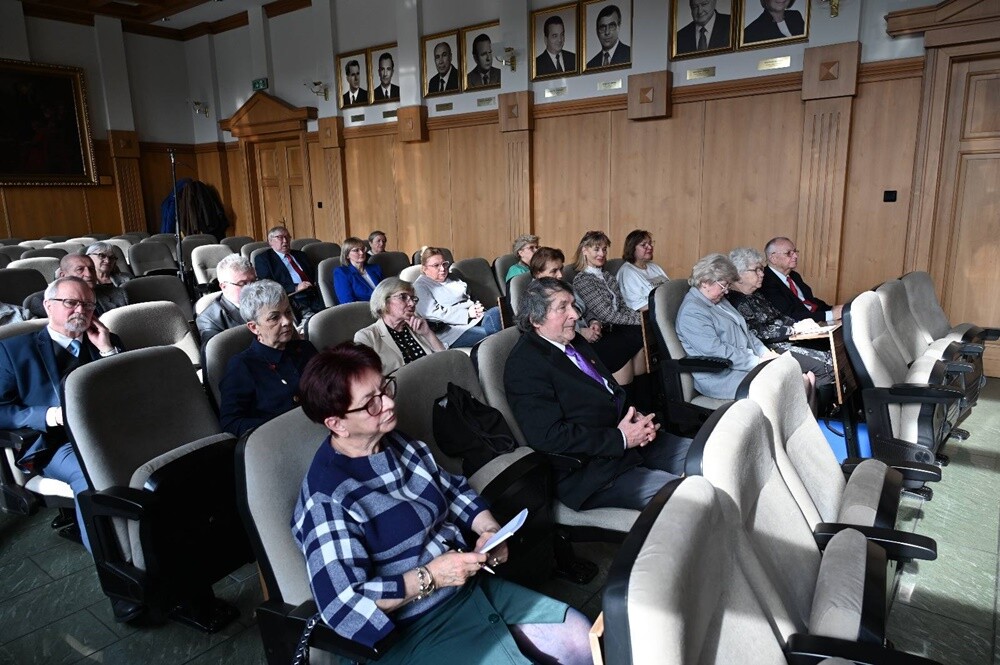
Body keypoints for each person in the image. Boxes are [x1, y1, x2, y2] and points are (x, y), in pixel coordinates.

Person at [292, 343, 592, 663]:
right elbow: (342, 604)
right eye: (371, 403)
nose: (389, 403)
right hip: (410, 629)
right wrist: (430, 577)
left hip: (466, 591)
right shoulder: (328, 499)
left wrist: (488, 529)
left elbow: (453, 490)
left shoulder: (399, 444)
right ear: (336, 423)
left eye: (385, 388)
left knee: (580, 638)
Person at [505, 278, 691, 511]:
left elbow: (609, 391)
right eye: (563, 308)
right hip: (593, 470)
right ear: (536, 320)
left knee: (710, 458)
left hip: (630, 443)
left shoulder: (574, 340)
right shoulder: (524, 366)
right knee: (689, 498)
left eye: (573, 305)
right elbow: (549, 436)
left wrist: (638, 419)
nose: (574, 314)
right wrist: (622, 438)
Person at [0, 277, 123, 557]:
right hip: (57, 443)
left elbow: (129, 389)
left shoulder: (106, 340)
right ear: (48, 306)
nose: (81, 310)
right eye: (71, 303)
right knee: (92, 473)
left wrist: (107, 351)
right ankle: (116, 567)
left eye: (89, 304)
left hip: (113, 429)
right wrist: (50, 415)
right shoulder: (13, 350)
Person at [675, 253, 781, 400]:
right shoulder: (692, 312)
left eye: (727, 286)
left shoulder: (718, 300)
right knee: (780, 386)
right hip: (721, 375)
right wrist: (755, 362)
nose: (726, 291)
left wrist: (764, 353)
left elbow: (746, 332)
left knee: (793, 377)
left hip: (742, 365)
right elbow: (716, 351)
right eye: (723, 286)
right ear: (705, 282)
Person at [219, 280, 318, 436]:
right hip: (280, 440)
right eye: (274, 317)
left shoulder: (305, 349)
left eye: (287, 312)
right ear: (254, 327)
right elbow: (231, 423)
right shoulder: (242, 366)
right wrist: (279, 427)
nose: (286, 322)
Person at [727, 247, 834, 388]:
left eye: (761, 269)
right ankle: (811, 408)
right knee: (826, 366)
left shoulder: (756, 294)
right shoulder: (735, 300)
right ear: (738, 275)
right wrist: (793, 329)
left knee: (832, 355)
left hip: (784, 340)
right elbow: (758, 332)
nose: (762, 274)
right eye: (756, 270)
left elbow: (779, 317)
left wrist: (803, 325)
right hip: (766, 349)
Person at [571, 231, 646, 394]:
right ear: (585, 250)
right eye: (596, 249)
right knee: (634, 337)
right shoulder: (582, 280)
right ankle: (630, 403)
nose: (602, 254)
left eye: (604, 249)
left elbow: (622, 307)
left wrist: (642, 320)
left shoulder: (608, 276)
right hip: (601, 335)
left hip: (616, 329)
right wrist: (641, 320)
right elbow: (606, 315)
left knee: (644, 336)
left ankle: (644, 401)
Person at [413, 247, 501, 349]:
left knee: (496, 312)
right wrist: (467, 313)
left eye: (444, 264)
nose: (442, 269)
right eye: (436, 265)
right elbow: (434, 314)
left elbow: (470, 296)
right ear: (425, 269)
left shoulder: (452, 277)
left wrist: (477, 306)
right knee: (493, 335)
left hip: (475, 318)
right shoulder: (420, 286)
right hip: (452, 330)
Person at [354, 278, 445, 375]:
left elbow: (445, 359)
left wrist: (428, 333)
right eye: (403, 297)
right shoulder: (366, 337)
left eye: (413, 299)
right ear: (384, 301)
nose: (412, 303)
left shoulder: (417, 326)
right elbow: (368, 381)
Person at [760, 236, 842, 323]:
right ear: (773, 258)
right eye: (789, 253)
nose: (795, 256)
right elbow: (790, 315)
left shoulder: (794, 275)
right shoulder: (765, 281)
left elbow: (809, 302)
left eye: (795, 252)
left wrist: (832, 309)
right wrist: (831, 315)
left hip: (816, 322)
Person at [529, 248, 601, 345]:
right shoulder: (534, 296)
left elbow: (585, 307)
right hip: (570, 342)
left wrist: (593, 321)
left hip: (588, 333)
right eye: (554, 271)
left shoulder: (565, 286)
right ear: (538, 273)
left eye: (561, 269)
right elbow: (547, 328)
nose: (560, 275)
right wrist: (580, 333)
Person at [253, 225, 325, 319]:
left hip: (314, 293)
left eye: (287, 237)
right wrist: (295, 288)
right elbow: (267, 284)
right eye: (280, 237)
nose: (285, 240)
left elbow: (314, 274)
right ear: (270, 241)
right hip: (293, 297)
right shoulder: (264, 259)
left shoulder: (301, 255)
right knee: (316, 320)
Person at [26, 254, 128, 318]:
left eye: (91, 269)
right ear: (63, 275)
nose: (88, 274)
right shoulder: (40, 302)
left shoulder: (118, 294)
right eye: (80, 270)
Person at [196, 254, 255, 347]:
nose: (252, 288)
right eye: (243, 284)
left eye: (254, 281)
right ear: (224, 287)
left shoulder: (267, 299)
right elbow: (215, 357)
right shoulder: (210, 319)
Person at [617, 230, 669, 312]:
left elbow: (670, 289)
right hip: (649, 317)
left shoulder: (654, 267)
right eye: (644, 245)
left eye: (650, 243)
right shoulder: (627, 273)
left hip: (667, 310)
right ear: (632, 248)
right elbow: (639, 307)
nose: (650, 247)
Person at [333, 237, 384, 304]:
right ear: (347, 255)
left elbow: (386, 289)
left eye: (363, 249)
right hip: (363, 310)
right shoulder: (342, 273)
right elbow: (347, 302)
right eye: (356, 250)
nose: (361, 253)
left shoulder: (375, 268)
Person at [586, 4, 631, 69]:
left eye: (611, 26)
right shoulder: (590, 65)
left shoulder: (630, 54)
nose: (607, 32)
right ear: (597, 31)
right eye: (602, 27)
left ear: (618, 27)